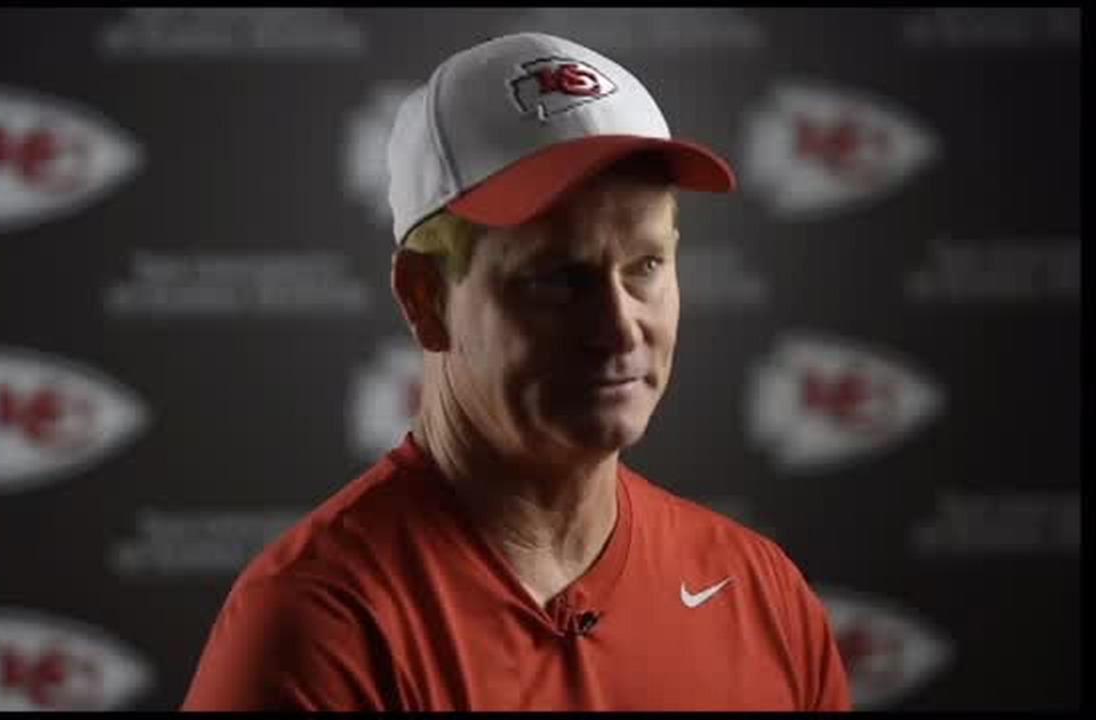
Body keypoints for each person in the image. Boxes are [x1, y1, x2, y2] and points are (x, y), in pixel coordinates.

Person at [181, 32, 852, 711]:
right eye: (559, 278)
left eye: (645, 266)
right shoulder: (323, 627)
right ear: (425, 297)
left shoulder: (759, 591)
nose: (620, 327)